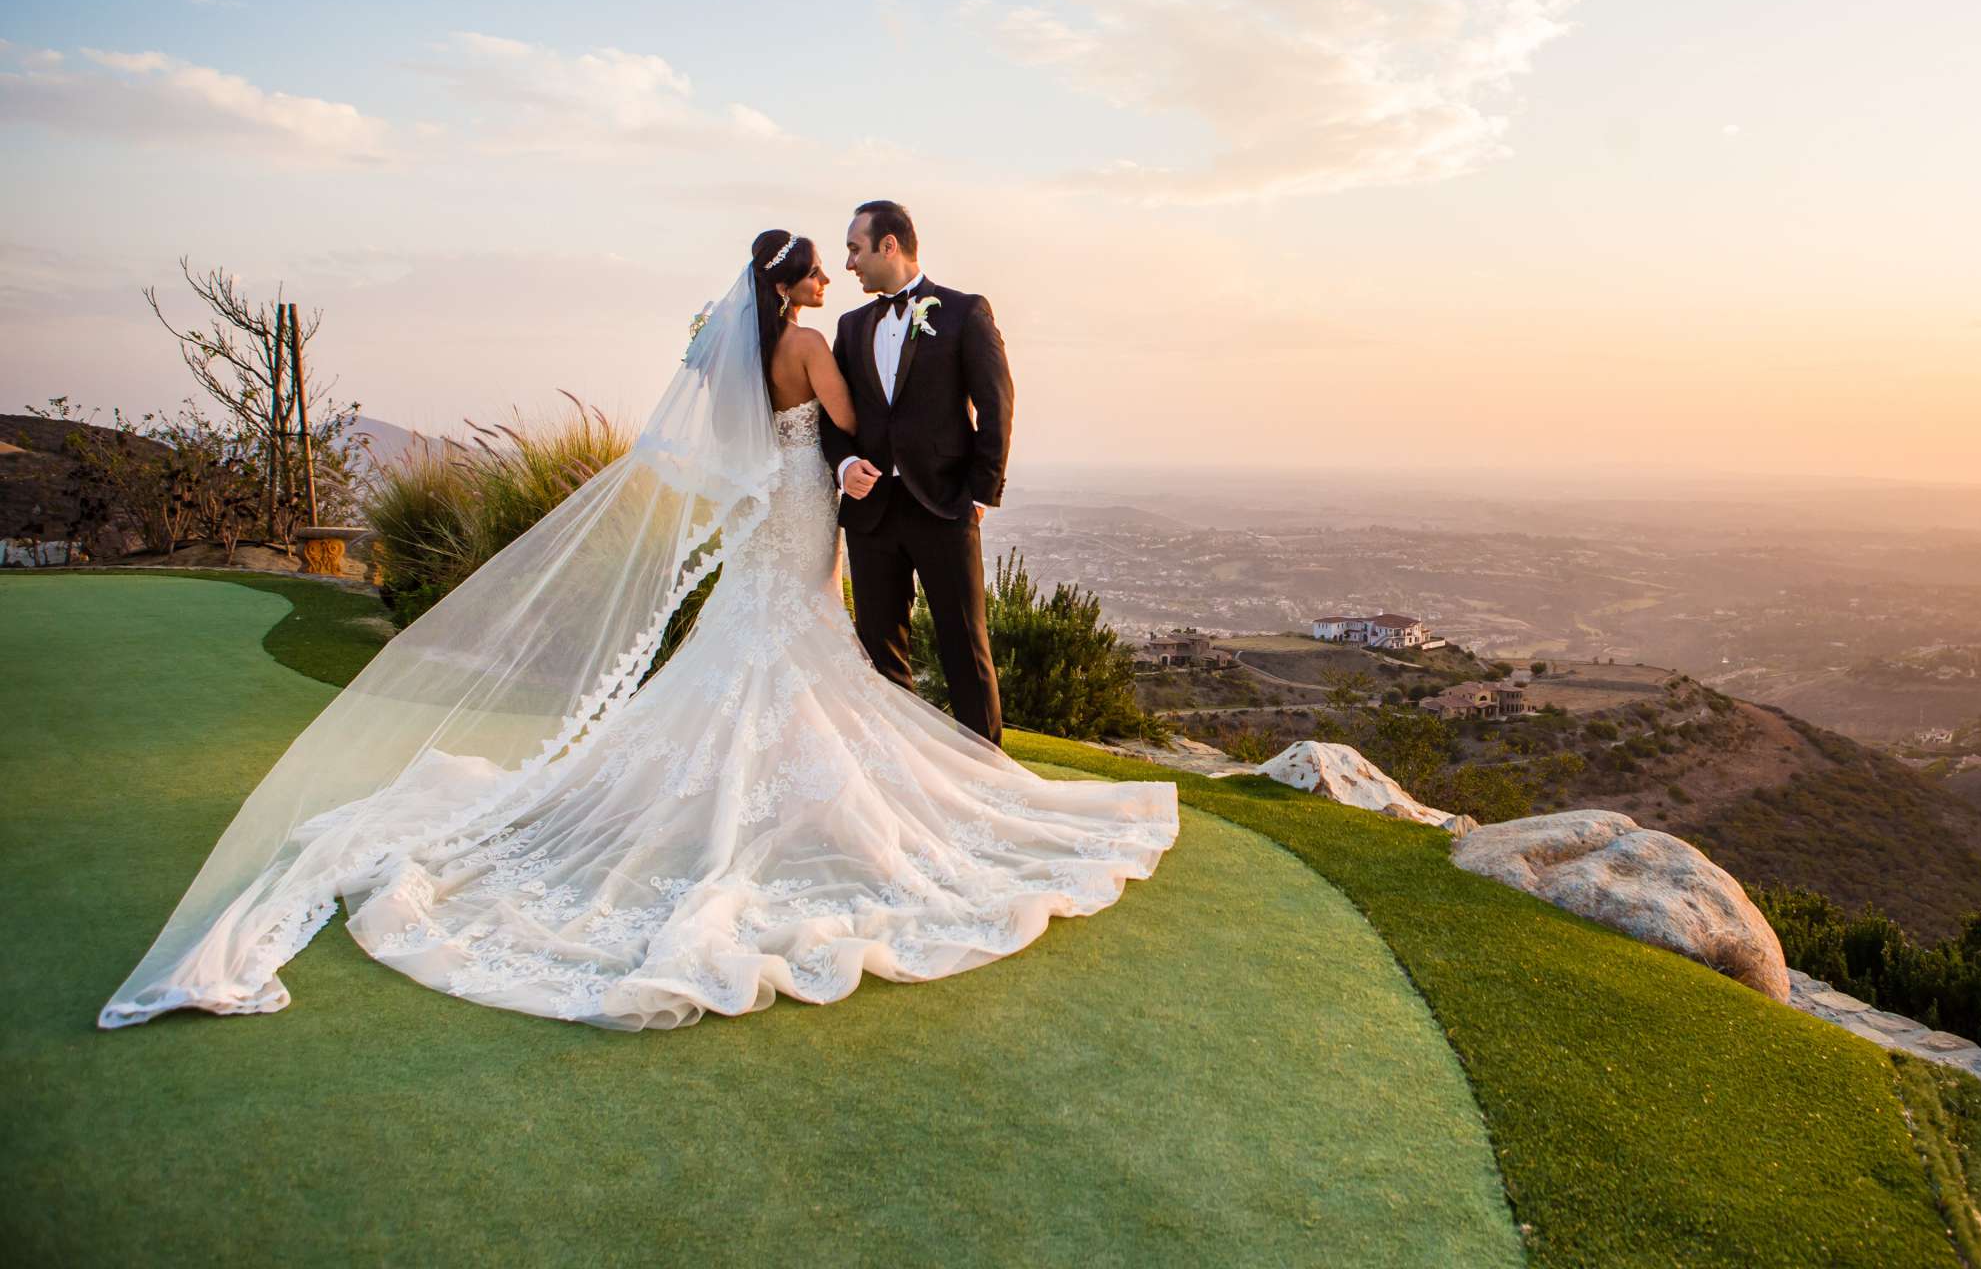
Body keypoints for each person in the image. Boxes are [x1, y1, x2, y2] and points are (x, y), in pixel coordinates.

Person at [97, 227, 1178, 1032]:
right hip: (803, 511)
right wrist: (873, 452)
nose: (831, 275)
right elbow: (853, 425)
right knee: (802, 643)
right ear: (793, 281)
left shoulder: (730, 354)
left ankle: (759, 792)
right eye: (819, 266)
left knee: (756, 648)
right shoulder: (809, 348)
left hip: (762, 512)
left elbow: (750, 438)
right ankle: (834, 809)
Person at [822, 199, 1012, 743]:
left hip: (945, 505)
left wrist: (981, 495)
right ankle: (900, 774)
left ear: (889, 245)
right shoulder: (851, 326)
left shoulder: (963, 312)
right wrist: (845, 464)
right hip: (873, 513)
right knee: (880, 652)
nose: (849, 263)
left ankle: (987, 773)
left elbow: (996, 404)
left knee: (964, 648)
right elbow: (832, 420)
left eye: (855, 249)